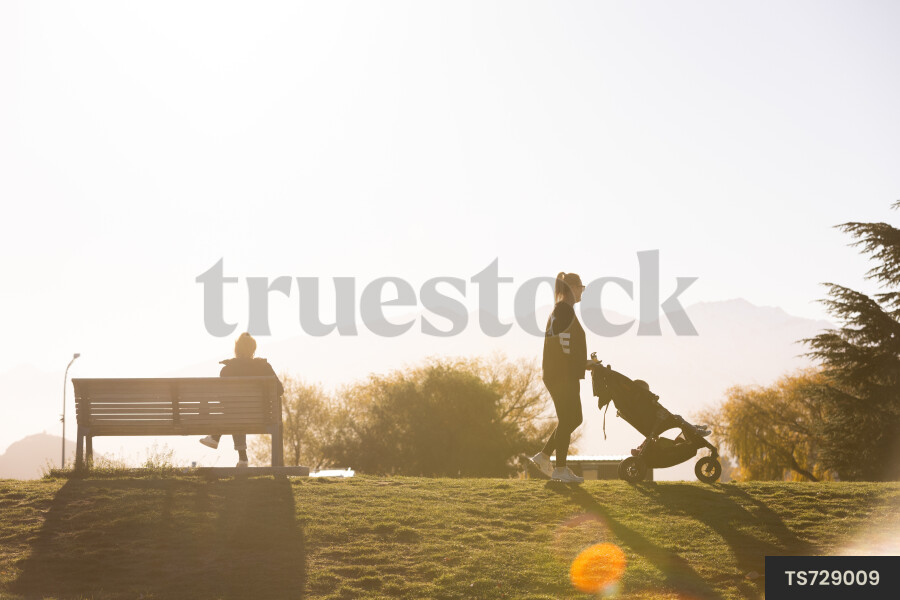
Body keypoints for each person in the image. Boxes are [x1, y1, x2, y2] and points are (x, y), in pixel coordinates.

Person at [527, 272, 595, 483]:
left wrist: (582, 363)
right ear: (572, 288)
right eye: (581, 288)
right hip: (562, 375)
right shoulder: (565, 311)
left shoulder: (561, 311)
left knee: (573, 418)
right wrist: (582, 364)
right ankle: (560, 469)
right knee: (570, 418)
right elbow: (565, 346)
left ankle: (545, 456)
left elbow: (564, 344)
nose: (582, 292)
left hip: (559, 373)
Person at [199, 332, 284, 467]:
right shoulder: (264, 367)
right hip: (262, 416)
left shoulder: (227, 370)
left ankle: (218, 438)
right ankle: (229, 448)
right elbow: (280, 390)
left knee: (234, 410)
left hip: (234, 415)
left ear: (236, 349)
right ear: (253, 350)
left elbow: (221, 399)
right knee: (237, 410)